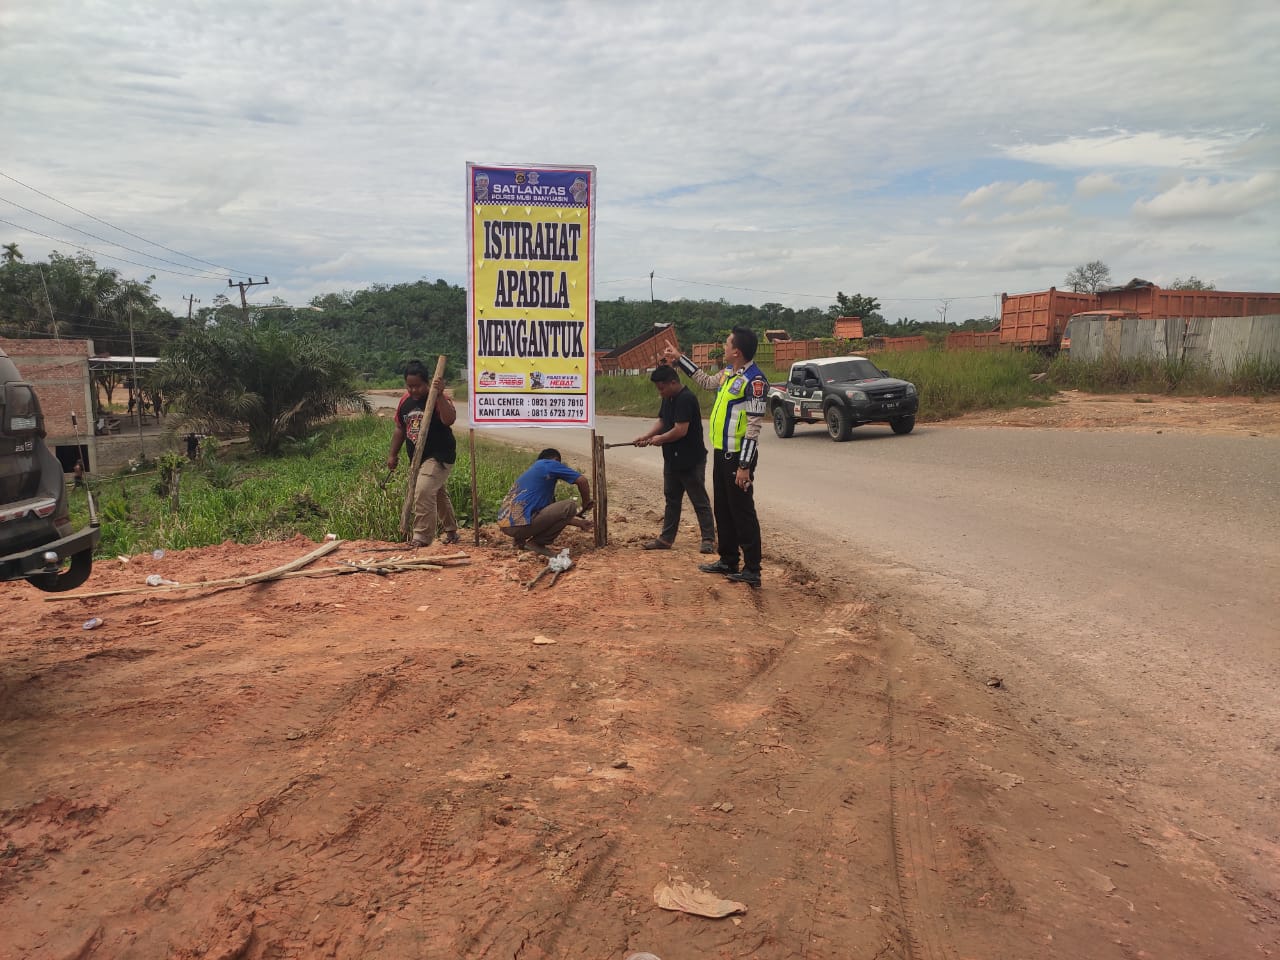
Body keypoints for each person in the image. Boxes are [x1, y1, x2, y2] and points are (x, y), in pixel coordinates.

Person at [663, 327, 767, 587]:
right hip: (722, 453)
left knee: (742, 511)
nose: (723, 345)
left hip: (738, 457)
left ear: (737, 351)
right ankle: (728, 560)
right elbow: (706, 381)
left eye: (727, 343)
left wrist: (744, 466)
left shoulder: (755, 381)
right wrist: (679, 359)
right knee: (723, 508)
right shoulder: (729, 373)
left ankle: (752, 568)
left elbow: (753, 429)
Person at [631, 364, 715, 554]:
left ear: (673, 382)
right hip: (672, 459)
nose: (659, 392)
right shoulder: (668, 398)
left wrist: (660, 439)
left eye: (662, 387)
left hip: (690, 460)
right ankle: (666, 539)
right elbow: (662, 421)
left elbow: (680, 430)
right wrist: (646, 436)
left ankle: (708, 539)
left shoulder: (686, 398)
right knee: (672, 499)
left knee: (699, 500)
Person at [387, 359, 460, 548]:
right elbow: (400, 429)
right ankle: (451, 531)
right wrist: (393, 455)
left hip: (440, 455)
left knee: (424, 489)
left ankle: (422, 537)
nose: (413, 390)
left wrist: (440, 395)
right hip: (418, 457)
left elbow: (449, 419)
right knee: (436, 492)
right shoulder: (405, 401)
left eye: (417, 386)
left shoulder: (436, 397)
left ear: (427, 382)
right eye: (409, 386)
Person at [497, 448, 593, 558]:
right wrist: (586, 503)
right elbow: (582, 481)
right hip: (518, 526)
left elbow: (553, 517)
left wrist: (579, 523)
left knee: (551, 509)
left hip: (506, 525)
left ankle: (520, 540)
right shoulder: (549, 464)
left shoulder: (534, 474)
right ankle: (536, 543)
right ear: (556, 460)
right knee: (570, 506)